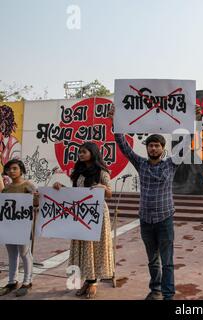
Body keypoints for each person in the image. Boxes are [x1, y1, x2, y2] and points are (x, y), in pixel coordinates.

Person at [108, 105, 191, 300]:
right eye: (150, 145)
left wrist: (192, 123)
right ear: (147, 148)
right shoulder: (140, 163)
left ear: (163, 149)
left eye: (157, 146)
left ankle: (168, 295)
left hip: (165, 220)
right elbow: (123, 145)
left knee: (167, 262)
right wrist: (115, 121)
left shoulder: (171, 164)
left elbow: (186, 145)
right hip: (146, 221)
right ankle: (155, 290)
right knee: (153, 261)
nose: (153, 148)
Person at [52, 142, 115, 299]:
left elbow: (109, 193)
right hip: (80, 213)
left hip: (97, 213)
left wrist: (103, 187)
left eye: (84, 151)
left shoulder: (101, 172)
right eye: (79, 152)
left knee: (95, 247)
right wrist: (61, 188)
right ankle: (88, 280)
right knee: (84, 247)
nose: (80, 154)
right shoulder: (78, 172)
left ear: (92, 153)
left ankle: (93, 282)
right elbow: (75, 194)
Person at [0, 159, 38, 297]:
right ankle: (12, 282)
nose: (12, 171)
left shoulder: (28, 186)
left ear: (21, 170)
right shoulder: (6, 189)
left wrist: (35, 197)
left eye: (15, 168)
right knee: (11, 254)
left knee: (24, 253)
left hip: (23, 226)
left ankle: (27, 282)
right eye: (9, 169)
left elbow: (36, 202)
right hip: (9, 225)